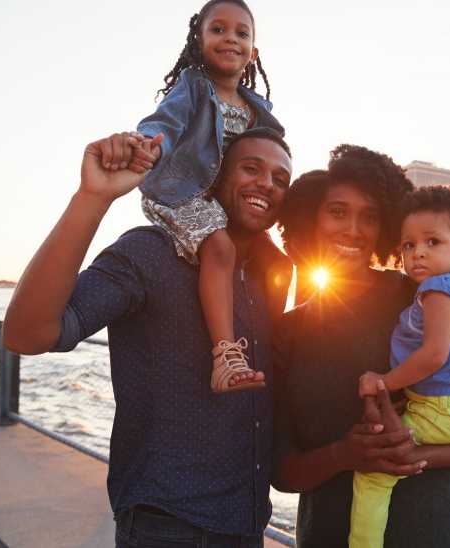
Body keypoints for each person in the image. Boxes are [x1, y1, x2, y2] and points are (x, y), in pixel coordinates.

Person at [3, 127, 293, 548]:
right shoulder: (150, 253)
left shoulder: (273, 273)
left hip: (248, 524)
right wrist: (93, 197)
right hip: (166, 525)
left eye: (280, 178)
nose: (266, 183)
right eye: (251, 168)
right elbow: (27, 335)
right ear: (213, 175)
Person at [273, 144, 450, 548]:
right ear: (309, 218)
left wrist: (413, 455)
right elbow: (281, 471)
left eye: (371, 217)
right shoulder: (285, 332)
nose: (353, 229)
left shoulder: (424, 298)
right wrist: (346, 454)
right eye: (337, 211)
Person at [133, 0, 284, 393]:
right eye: (218, 30)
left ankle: (277, 343)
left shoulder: (259, 110)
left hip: (224, 203)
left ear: (254, 51)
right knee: (220, 247)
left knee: (275, 259)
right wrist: (146, 145)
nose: (230, 38)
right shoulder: (193, 88)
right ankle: (225, 355)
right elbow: (162, 123)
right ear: (199, 41)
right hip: (180, 192)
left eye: (241, 33)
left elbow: (276, 151)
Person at [350, 185, 450, 548]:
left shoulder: (436, 291)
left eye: (432, 242)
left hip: (445, 408)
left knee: (373, 474)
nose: (417, 252)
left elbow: (434, 355)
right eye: (408, 245)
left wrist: (384, 382)